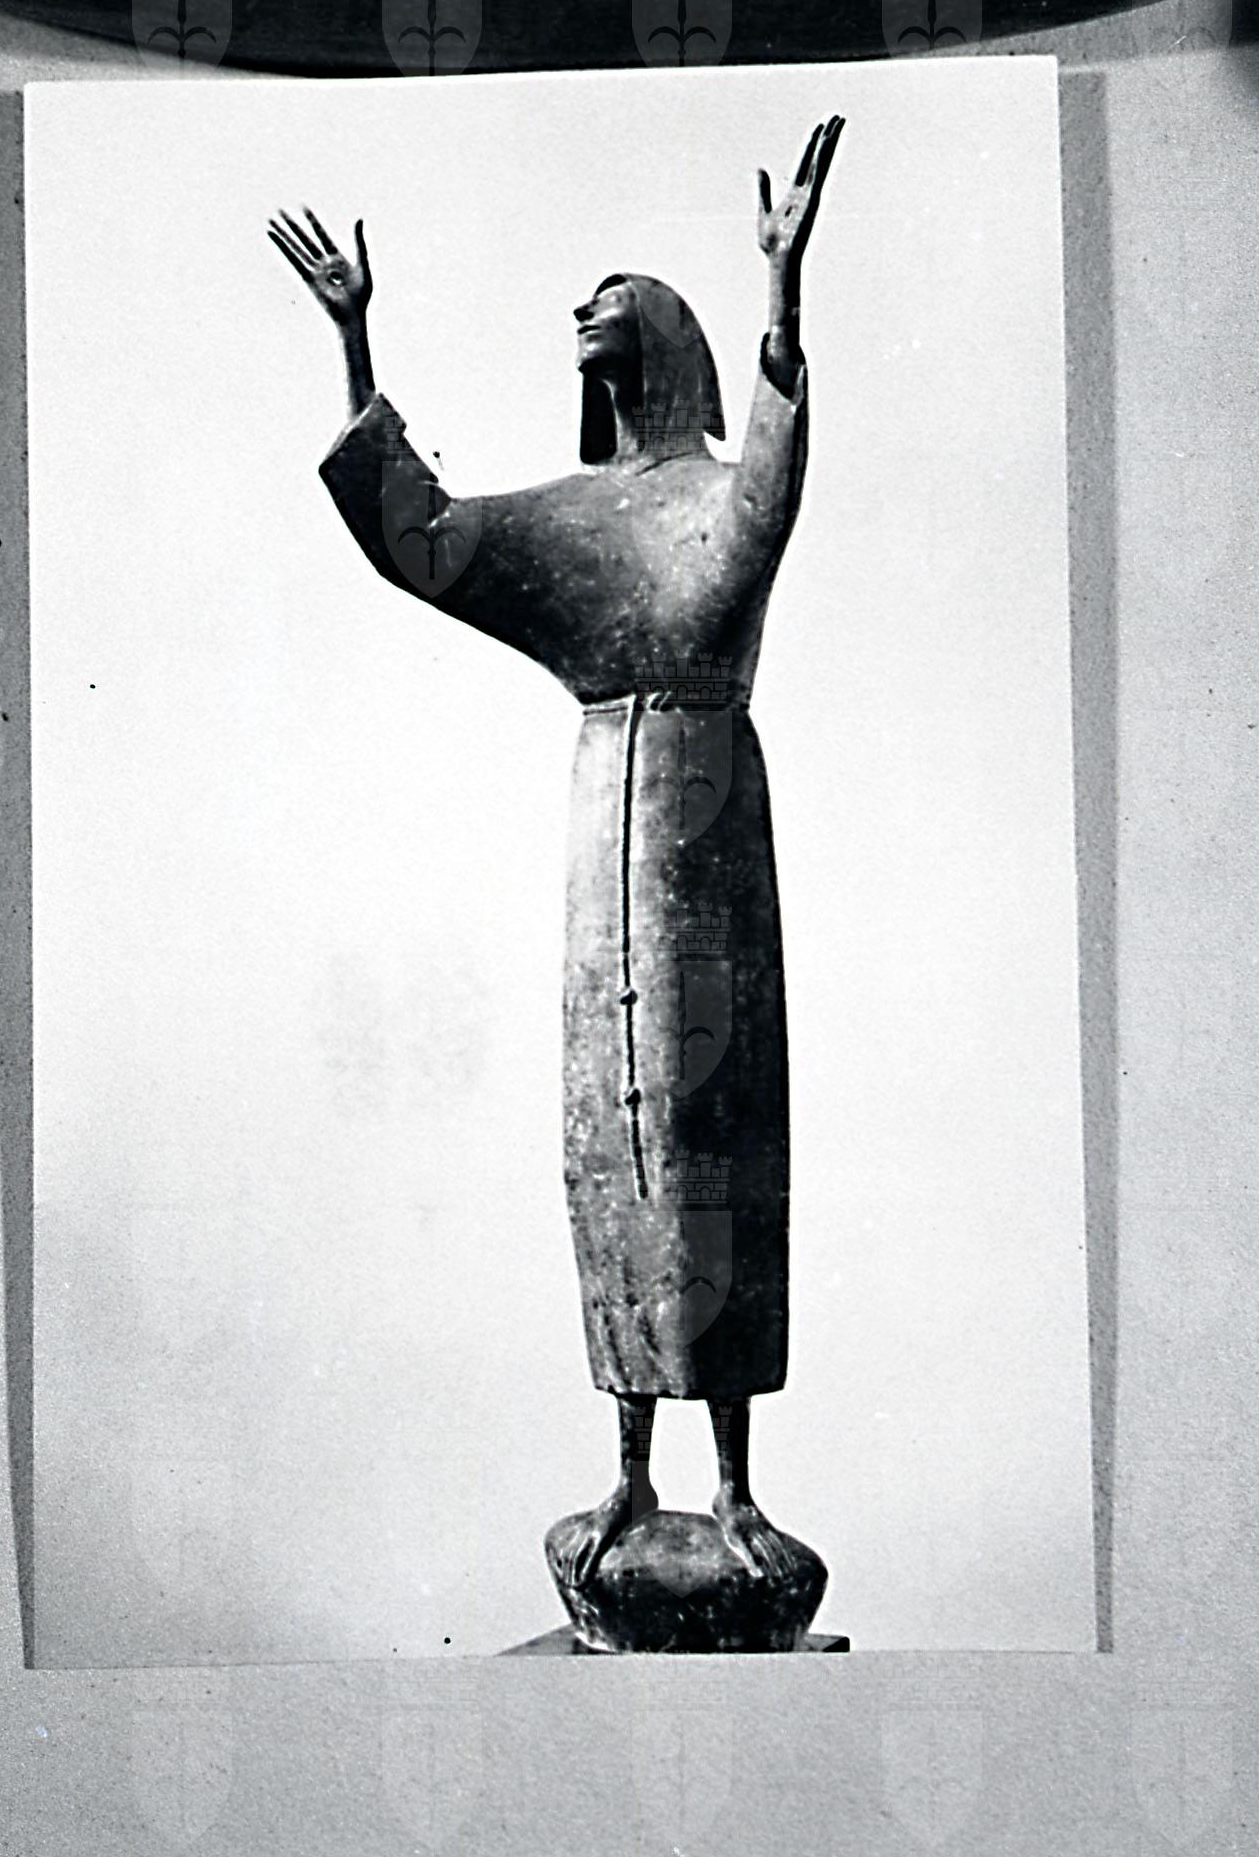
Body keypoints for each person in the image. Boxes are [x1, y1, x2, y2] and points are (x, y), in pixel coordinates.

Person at [269, 115, 842, 1587]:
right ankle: (631, 1477)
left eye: (614, 300)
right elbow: (422, 535)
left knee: (718, 1135)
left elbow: (774, 481)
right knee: (617, 1134)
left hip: (710, 822)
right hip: (606, 837)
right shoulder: (572, 523)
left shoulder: (718, 500)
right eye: (584, 305)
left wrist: (782, 291)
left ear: (666, 341)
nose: (588, 313)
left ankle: (735, 1492)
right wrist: (354, 340)